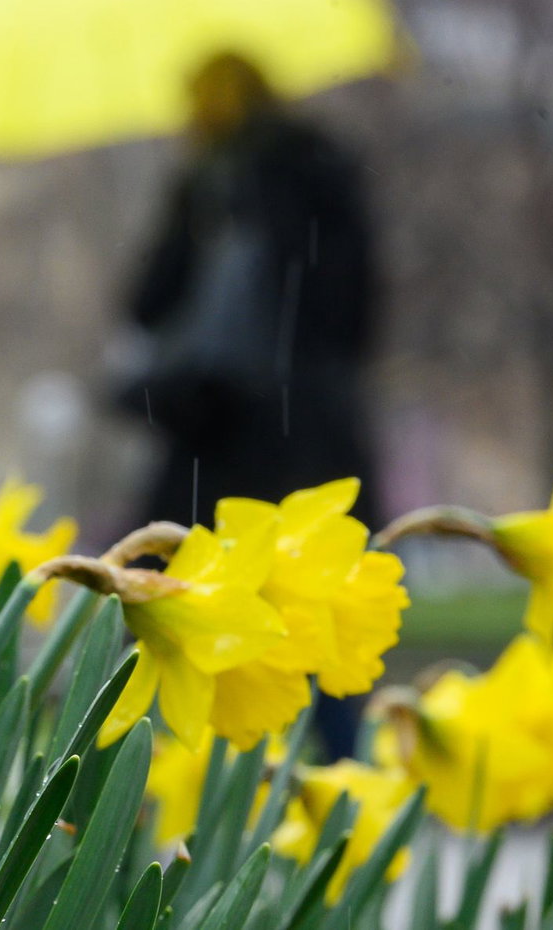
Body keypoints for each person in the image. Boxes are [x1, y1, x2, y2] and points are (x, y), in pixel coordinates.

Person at [120, 52, 381, 759]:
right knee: (317, 649)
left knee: (209, 626)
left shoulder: (234, 185)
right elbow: (356, 314)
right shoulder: (316, 175)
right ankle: (342, 806)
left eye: (201, 95)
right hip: (300, 436)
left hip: (228, 439)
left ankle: (192, 821)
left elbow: (145, 305)